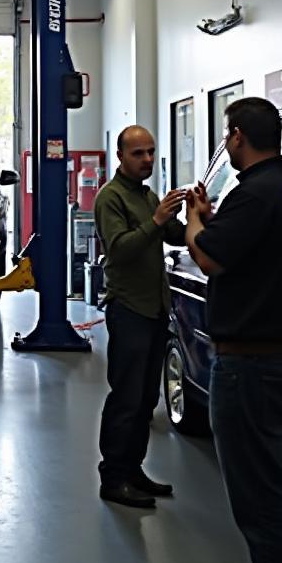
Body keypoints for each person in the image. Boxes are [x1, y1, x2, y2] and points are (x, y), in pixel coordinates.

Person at [184, 97, 282, 563]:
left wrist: (196, 217)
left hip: (250, 365)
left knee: (262, 504)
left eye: (228, 135)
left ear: (239, 137)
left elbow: (210, 259)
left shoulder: (253, 193)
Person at [94, 125, 186, 508]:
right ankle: (113, 478)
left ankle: (133, 470)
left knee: (147, 399)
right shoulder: (110, 198)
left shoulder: (148, 196)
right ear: (121, 156)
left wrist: (197, 214)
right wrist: (157, 221)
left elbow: (175, 236)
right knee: (127, 398)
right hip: (129, 309)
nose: (147, 159)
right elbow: (120, 249)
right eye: (138, 153)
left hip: (154, 310)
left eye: (150, 152)